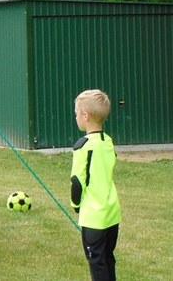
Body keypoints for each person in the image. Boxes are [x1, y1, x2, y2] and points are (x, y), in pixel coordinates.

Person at [70, 89, 121, 281]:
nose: (76, 117)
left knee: (97, 263)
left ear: (85, 116)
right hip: (112, 213)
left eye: (77, 113)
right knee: (107, 258)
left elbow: (77, 182)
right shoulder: (108, 141)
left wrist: (76, 205)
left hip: (94, 217)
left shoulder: (83, 146)